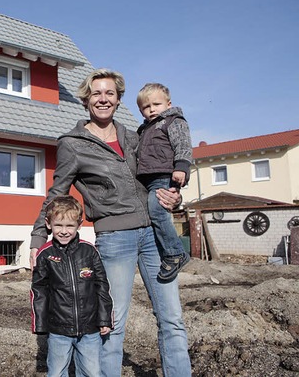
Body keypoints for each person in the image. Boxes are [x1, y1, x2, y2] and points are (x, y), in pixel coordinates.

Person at [30, 68, 191, 377]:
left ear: (118, 99)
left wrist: (175, 197)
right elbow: (57, 192)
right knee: (112, 324)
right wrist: (40, 236)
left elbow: (160, 175)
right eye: (96, 93)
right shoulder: (72, 144)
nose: (103, 99)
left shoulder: (136, 136)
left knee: (172, 320)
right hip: (116, 238)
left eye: (109, 93)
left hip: (154, 236)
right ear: (86, 99)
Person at [31, 195, 113, 377]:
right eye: (58, 225)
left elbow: (102, 286)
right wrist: (40, 323)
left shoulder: (90, 251)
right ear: (48, 223)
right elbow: (39, 290)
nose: (64, 231)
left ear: (79, 225)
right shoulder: (45, 254)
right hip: (58, 330)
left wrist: (105, 318)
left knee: (92, 372)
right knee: (57, 372)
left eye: (70, 226)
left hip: (90, 329)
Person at [136, 82, 193, 281]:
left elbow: (183, 145)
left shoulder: (172, 121)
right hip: (150, 177)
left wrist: (182, 167)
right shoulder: (144, 129)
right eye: (146, 107)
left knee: (158, 212)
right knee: (155, 214)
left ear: (168, 104)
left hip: (165, 174)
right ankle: (166, 251)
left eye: (156, 104)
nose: (151, 109)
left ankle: (175, 253)